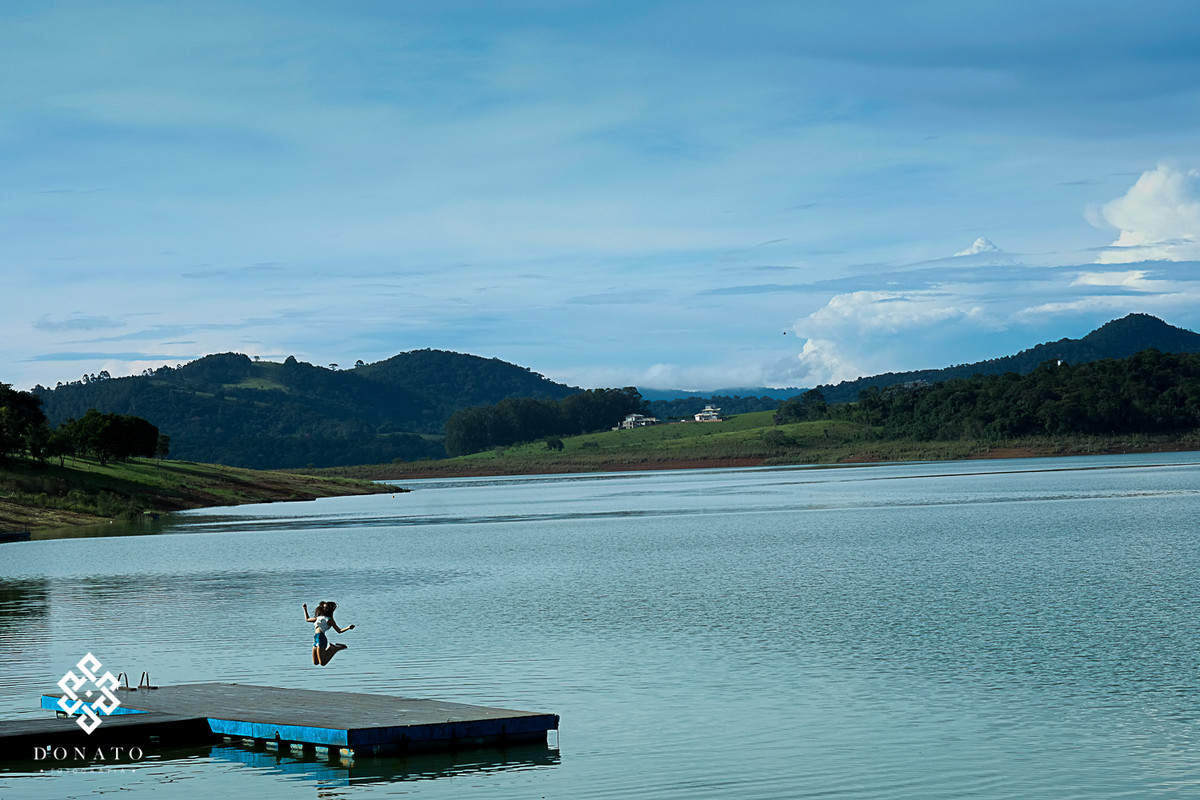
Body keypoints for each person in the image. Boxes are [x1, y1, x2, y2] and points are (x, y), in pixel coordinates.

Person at [303, 600, 355, 666]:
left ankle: (334, 648)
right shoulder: (317, 618)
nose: (324, 609)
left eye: (326, 608)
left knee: (323, 663)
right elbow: (307, 619)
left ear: (329, 610)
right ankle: (332, 648)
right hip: (316, 639)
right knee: (315, 662)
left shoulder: (329, 620)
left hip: (321, 639)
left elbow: (339, 631)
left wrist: (348, 628)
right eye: (324, 607)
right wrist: (305, 608)